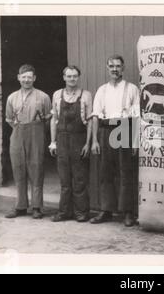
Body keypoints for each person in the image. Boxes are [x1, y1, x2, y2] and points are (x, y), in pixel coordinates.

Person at [90, 55, 140, 227]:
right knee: (105, 173)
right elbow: (95, 116)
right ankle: (106, 210)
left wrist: (135, 142)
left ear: (123, 67)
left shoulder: (132, 89)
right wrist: (95, 141)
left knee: (125, 172)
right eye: (111, 66)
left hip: (124, 129)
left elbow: (137, 117)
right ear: (107, 67)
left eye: (118, 66)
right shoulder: (101, 90)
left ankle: (127, 212)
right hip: (105, 130)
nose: (114, 69)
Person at [5, 64, 52, 219]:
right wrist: (20, 128)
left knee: (36, 169)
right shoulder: (12, 97)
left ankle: (37, 207)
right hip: (17, 132)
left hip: (36, 133)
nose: (26, 80)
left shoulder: (43, 97)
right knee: (18, 169)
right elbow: (9, 119)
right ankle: (20, 206)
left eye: (29, 77)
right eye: (23, 77)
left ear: (34, 78)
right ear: (19, 78)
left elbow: (47, 118)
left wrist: (35, 129)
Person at [48, 65, 92, 222]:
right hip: (62, 140)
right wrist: (53, 142)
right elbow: (54, 119)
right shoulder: (57, 95)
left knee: (79, 178)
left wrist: (88, 143)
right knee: (65, 179)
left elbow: (90, 121)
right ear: (64, 77)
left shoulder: (86, 95)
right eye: (69, 76)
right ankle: (64, 212)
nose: (72, 79)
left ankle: (81, 212)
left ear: (78, 77)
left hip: (79, 139)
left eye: (75, 76)